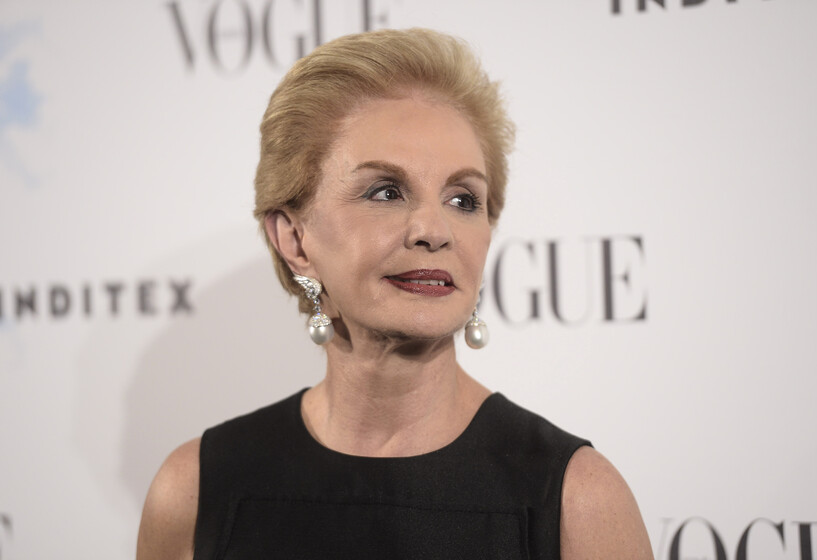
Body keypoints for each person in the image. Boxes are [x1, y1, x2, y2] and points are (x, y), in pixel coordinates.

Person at [137, 28, 654, 560]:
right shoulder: (194, 490)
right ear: (294, 239)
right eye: (386, 191)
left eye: (463, 199)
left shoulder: (578, 499)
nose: (434, 230)